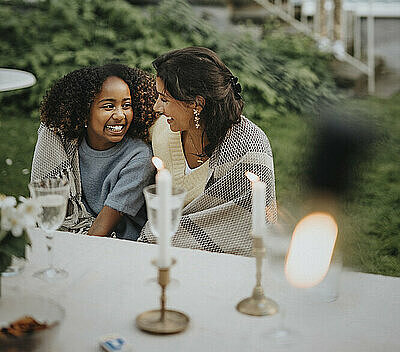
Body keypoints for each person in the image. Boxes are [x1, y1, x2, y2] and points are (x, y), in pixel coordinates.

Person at [139, 47, 276, 256]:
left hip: (224, 263)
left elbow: (243, 228)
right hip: (160, 252)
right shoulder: (162, 131)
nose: (157, 107)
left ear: (197, 103)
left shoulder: (249, 150)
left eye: (164, 99)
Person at [31, 63, 158, 240]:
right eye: (108, 106)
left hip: (119, 242)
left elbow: (101, 229)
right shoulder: (68, 145)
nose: (120, 115)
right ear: (84, 112)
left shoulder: (139, 157)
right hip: (79, 230)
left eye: (126, 105)